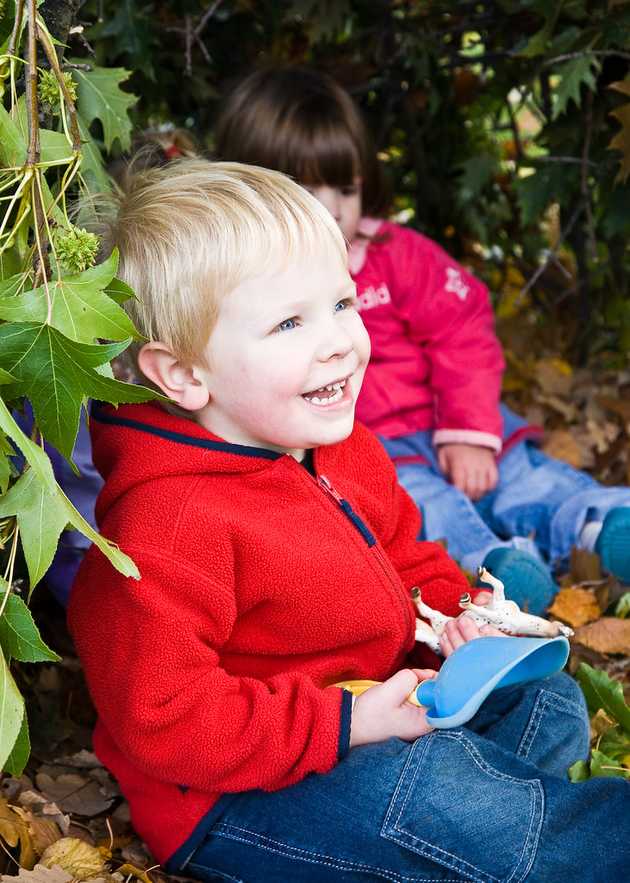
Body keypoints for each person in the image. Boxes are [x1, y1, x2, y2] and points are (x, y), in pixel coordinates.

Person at [68, 159, 629, 882]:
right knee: (429, 791)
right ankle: (544, 836)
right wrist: (343, 725)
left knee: (544, 697)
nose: (338, 338)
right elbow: (163, 712)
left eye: (342, 303)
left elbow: (403, 547)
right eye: (291, 322)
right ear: (183, 374)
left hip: (382, 702)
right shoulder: (169, 521)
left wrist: (457, 618)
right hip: (244, 792)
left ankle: (487, 827)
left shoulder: (334, 444)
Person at [214, 66, 630, 614]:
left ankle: (597, 523)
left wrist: (470, 430)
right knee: (426, 515)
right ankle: (496, 577)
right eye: (308, 188)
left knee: (521, 479)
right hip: (373, 450)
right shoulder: (242, 289)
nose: (335, 208)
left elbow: (462, 331)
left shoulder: (395, 254)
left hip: (449, 416)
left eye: (347, 186)